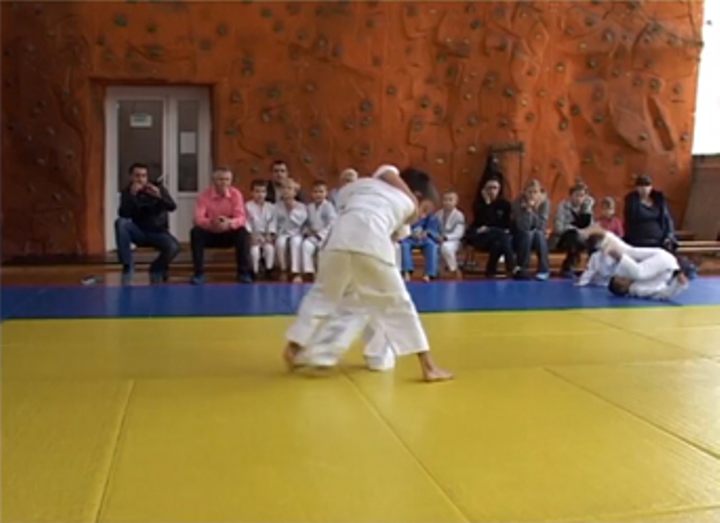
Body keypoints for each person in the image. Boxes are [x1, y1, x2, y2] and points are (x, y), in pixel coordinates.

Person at [282, 164, 453, 382]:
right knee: (398, 304)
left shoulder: (361, 185)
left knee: (323, 294)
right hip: (371, 243)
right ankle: (428, 367)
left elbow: (359, 189)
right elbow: (397, 223)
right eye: (425, 209)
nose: (422, 215)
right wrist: (412, 204)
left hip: (336, 242)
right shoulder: (409, 204)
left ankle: (294, 346)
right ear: (417, 195)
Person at [581, 225, 690, 300]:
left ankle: (605, 239)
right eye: (622, 280)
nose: (624, 277)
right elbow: (664, 294)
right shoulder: (638, 290)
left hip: (662, 257)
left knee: (631, 252)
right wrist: (678, 283)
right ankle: (609, 246)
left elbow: (629, 253)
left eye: (620, 277)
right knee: (638, 271)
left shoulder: (631, 274)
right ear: (624, 289)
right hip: (667, 266)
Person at [115, 162, 180, 285]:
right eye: (137, 176)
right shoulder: (127, 192)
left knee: (174, 247)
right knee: (120, 223)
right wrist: (132, 196)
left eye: (143, 176)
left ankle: (156, 268)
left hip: (158, 232)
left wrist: (159, 196)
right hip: (138, 231)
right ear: (131, 177)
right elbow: (124, 214)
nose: (140, 179)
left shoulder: (157, 189)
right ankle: (127, 265)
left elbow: (172, 207)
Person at [190, 167, 252, 284]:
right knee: (195, 232)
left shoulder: (236, 194)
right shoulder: (204, 196)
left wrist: (229, 223)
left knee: (243, 233)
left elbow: (241, 218)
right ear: (214, 180)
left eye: (227, 179)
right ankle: (199, 273)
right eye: (220, 179)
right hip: (211, 232)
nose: (224, 182)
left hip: (228, 232)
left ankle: (243, 273)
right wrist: (212, 223)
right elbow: (198, 218)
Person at [466, 176, 517, 277]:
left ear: (499, 189)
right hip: (481, 237)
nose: (492, 190)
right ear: (484, 189)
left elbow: (506, 224)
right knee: (502, 236)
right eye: (489, 188)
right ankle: (511, 266)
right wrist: (487, 203)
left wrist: (493, 228)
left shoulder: (505, 204)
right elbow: (485, 221)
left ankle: (490, 270)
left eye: (495, 188)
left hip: (498, 237)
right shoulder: (479, 204)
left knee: (498, 243)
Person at [552, 182, 594, 278]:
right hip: (564, 237)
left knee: (596, 239)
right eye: (577, 195)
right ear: (571, 195)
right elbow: (558, 228)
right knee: (573, 236)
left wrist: (587, 208)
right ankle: (567, 267)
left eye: (582, 196)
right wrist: (574, 228)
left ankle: (592, 268)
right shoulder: (563, 206)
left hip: (582, 237)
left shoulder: (586, 208)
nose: (579, 198)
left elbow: (590, 227)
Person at [624, 174, 676, 251]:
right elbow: (629, 220)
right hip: (639, 241)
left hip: (659, 241)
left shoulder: (659, 200)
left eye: (647, 185)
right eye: (641, 186)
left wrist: (669, 236)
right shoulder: (632, 201)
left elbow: (667, 219)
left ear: (651, 187)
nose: (644, 189)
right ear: (637, 188)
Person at [511, 179, 550, 280]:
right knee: (528, 234)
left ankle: (544, 269)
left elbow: (541, 225)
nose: (532, 195)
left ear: (540, 193)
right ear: (524, 192)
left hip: (537, 235)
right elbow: (522, 226)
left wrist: (531, 211)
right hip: (519, 236)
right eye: (530, 192)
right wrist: (528, 211)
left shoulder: (544, 203)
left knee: (539, 234)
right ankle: (522, 268)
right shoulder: (517, 203)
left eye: (535, 192)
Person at [301, 180, 337, 280]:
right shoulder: (309, 207)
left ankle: (323, 274)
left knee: (322, 251)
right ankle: (309, 271)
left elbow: (332, 223)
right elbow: (305, 223)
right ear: (312, 194)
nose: (318, 194)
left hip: (325, 237)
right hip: (312, 235)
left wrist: (320, 235)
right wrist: (307, 231)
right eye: (316, 192)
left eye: (321, 192)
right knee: (306, 245)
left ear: (326, 193)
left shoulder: (329, 206)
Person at [400, 200, 442, 282]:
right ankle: (407, 272)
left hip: (424, 239)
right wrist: (411, 234)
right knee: (404, 245)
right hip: (410, 239)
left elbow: (432, 229)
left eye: (427, 209)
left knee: (432, 245)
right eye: (422, 208)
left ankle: (429, 274)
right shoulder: (409, 215)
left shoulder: (432, 217)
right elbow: (403, 228)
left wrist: (426, 233)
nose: (424, 211)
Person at [274, 179, 308, 282]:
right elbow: (273, 221)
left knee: (296, 243)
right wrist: (273, 233)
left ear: (295, 192)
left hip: (296, 232)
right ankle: (283, 270)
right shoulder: (276, 206)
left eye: (289, 188)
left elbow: (301, 221)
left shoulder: (301, 206)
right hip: (282, 232)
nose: (286, 191)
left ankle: (296, 272)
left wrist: (291, 209)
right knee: (280, 243)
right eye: (284, 188)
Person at [245, 179, 277, 278]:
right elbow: (247, 223)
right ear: (252, 192)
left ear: (266, 193)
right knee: (254, 251)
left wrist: (270, 234)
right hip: (253, 235)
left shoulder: (271, 207)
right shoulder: (247, 206)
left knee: (269, 249)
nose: (260, 194)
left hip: (266, 235)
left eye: (263, 191)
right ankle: (254, 272)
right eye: (257, 191)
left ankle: (269, 270)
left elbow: (273, 222)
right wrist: (252, 235)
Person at [435, 191, 466, 278]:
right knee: (432, 247)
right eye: (445, 200)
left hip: (453, 241)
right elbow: (434, 228)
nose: (447, 202)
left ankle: (454, 270)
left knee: (446, 247)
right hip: (438, 239)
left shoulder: (459, 215)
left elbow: (459, 233)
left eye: (450, 200)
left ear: (456, 202)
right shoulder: (438, 214)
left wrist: (445, 237)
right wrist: (436, 237)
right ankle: (435, 270)